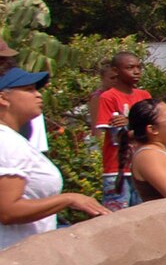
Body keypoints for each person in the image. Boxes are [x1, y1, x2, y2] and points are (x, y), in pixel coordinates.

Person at [1, 67, 109, 247]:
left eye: (37, 89)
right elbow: (8, 211)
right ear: (3, 98)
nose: (38, 95)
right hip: (13, 258)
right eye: (28, 90)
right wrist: (68, 199)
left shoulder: (14, 139)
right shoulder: (5, 141)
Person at [93, 49, 150, 206]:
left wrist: (128, 122)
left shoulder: (144, 96)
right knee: (118, 217)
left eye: (139, 67)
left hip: (143, 167)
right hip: (116, 170)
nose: (136, 71)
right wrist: (139, 126)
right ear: (115, 70)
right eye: (130, 68)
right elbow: (117, 137)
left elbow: (153, 130)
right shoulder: (108, 97)